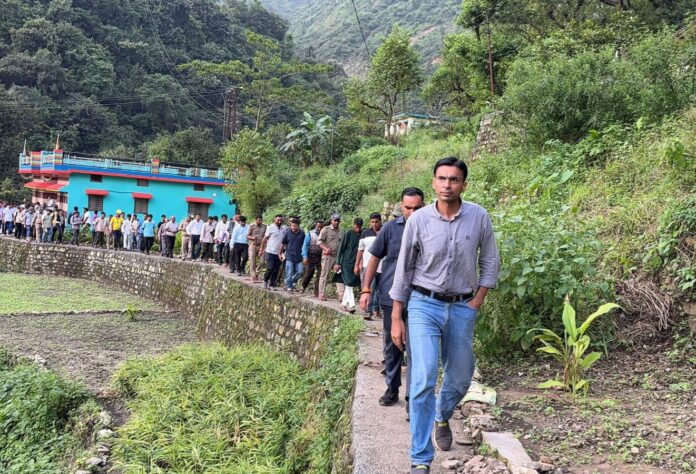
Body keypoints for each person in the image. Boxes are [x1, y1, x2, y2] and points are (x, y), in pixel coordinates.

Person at [389, 158, 500, 474]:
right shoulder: (419, 220)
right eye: (441, 179)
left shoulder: (478, 217)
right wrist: (397, 317)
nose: (447, 185)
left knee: (461, 376)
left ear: (464, 184)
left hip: (463, 306)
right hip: (424, 305)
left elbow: (490, 260)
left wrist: (478, 299)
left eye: (453, 179)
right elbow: (404, 269)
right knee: (423, 378)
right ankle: (420, 458)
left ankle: (442, 414)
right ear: (434, 182)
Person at [359, 188, 425, 410]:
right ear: (401, 207)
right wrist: (366, 290)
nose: (412, 212)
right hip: (390, 296)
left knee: (416, 348)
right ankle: (392, 388)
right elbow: (374, 259)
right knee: (392, 345)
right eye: (408, 208)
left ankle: (412, 397)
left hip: (420, 298)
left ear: (424, 206)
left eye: (417, 208)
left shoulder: (430, 227)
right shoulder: (389, 229)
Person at [356, 212, 383, 320]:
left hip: (383, 266)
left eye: (376, 222)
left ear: (380, 221)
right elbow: (360, 250)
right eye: (372, 222)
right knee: (369, 289)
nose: (374, 224)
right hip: (368, 266)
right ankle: (368, 311)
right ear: (370, 222)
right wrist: (357, 264)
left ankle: (377, 309)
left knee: (380, 289)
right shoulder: (365, 233)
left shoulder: (385, 231)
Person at [335, 218, 362, 312]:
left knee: (349, 284)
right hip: (346, 263)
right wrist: (338, 262)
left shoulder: (362, 234)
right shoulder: (348, 234)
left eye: (359, 227)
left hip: (356, 263)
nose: (358, 229)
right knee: (349, 283)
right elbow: (341, 248)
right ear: (353, 225)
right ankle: (352, 305)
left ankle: (343, 304)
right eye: (356, 227)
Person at [317, 214, 343, 301]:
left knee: (339, 274)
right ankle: (321, 293)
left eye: (338, 220)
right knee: (324, 274)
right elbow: (319, 241)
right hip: (328, 256)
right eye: (335, 220)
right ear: (331, 221)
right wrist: (325, 249)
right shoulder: (326, 229)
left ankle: (341, 294)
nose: (336, 222)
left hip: (337, 256)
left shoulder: (341, 231)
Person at [260, 215, 286, 290]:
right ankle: (265, 281)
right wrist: (261, 249)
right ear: (275, 220)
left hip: (279, 253)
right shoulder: (270, 227)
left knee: (276, 270)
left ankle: (272, 285)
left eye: (280, 220)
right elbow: (265, 239)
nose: (279, 222)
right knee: (270, 268)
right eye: (278, 220)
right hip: (270, 251)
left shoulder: (284, 229)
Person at [281, 218, 305, 292]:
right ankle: (289, 287)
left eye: (295, 226)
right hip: (289, 256)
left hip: (299, 256)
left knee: (300, 272)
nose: (293, 227)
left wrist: (304, 255)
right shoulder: (287, 233)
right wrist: (280, 253)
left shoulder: (302, 234)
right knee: (289, 272)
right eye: (292, 226)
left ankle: (288, 282)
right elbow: (283, 243)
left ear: (298, 226)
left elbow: (304, 245)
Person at [300, 220, 323, 296]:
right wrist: (305, 257)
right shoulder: (310, 234)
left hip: (320, 256)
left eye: (321, 227)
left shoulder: (324, 234)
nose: (319, 229)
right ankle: (303, 286)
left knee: (320, 275)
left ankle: (317, 291)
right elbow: (305, 246)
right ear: (315, 226)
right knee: (309, 273)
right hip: (310, 255)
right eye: (318, 227)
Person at [247, 215, 266, 282]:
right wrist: (252, 238)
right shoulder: (252, 226)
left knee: (262, 262)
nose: (260, 221)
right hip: (253, 245)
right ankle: (253, 276)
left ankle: (256, 272)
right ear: (256, 220)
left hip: (261, 246)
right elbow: (247, 236)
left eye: (261, 220)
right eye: (259, 220)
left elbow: (266, 236)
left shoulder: (264, 226)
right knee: (252, 261)